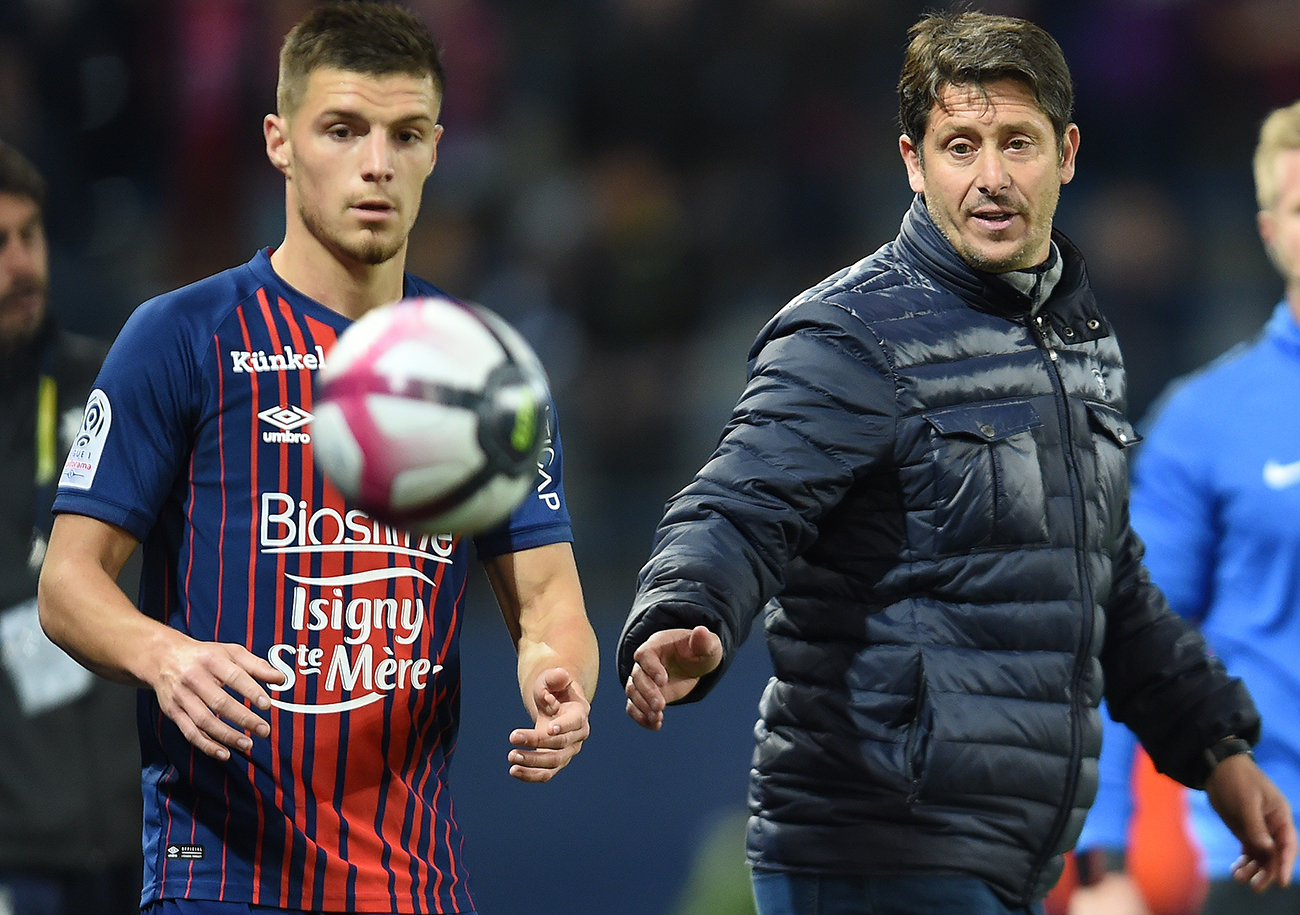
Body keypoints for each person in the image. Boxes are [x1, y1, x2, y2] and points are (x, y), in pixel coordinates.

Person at [618, 10, 1296, 915]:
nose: (990, 177)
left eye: (1017, 142)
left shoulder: (1079, 341)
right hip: (873, 845)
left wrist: (1216, 748)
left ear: (1068, 153)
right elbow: (740, 506)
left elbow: (1104, 583)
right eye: (960, 144)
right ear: (912, 160)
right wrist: (685, 606)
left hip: (995, 857)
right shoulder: (849, 335)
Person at [36, 3, 599, 914]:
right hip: (218, 877)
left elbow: (547, 599)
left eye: (405, 134)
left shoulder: (482, 372)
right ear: (279, 140)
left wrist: (556, 676)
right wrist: (165, 655)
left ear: (436, 149)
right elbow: (67, 582)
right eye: (342, 129)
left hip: (417, 885)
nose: (376, 163)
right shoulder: (183, 335)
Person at [1070, 99, 1300, 915]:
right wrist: (1103, 862)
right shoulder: (1204, 422)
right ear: (1270, 229)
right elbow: (1128, 638)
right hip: (1272, 865)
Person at [0, 139, 142, 914]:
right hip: (15, 850)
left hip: (139, 838)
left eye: (32, 235)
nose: (22, 264)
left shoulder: (111, 388)